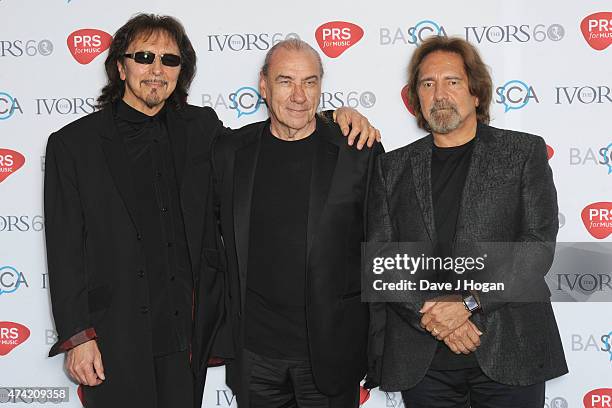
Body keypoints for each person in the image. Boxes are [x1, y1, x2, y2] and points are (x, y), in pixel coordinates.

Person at [44, 14, 378, 408]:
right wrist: (79, 337)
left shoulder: (202, 129)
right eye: (144, 56)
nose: (157, 70)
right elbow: (64, 250)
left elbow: (290, 125)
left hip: (188, 337)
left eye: (170, 60)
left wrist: (335, 115)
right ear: (120, 65)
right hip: (116, 336)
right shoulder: (73, 145)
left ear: (181, 71)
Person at [366, 36, 568, 408]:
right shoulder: (390, 168)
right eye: (428, 84)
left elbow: (537, 246)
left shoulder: (522, 152)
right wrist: (433, 317)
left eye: (452, 81)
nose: (439, 94)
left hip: (511, 347)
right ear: (416, 98)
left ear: (476, 93)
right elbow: (383, 260)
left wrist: (469, 304)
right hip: (423, 357)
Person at [211, 38, 384, 408]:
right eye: (286, 81)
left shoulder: (357, 151)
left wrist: (380, 346)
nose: (299, 96)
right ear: (263, 85)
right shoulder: (229, 153)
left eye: (310, 82)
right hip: (255, 356)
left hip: (331, 353)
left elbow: (381, 249)